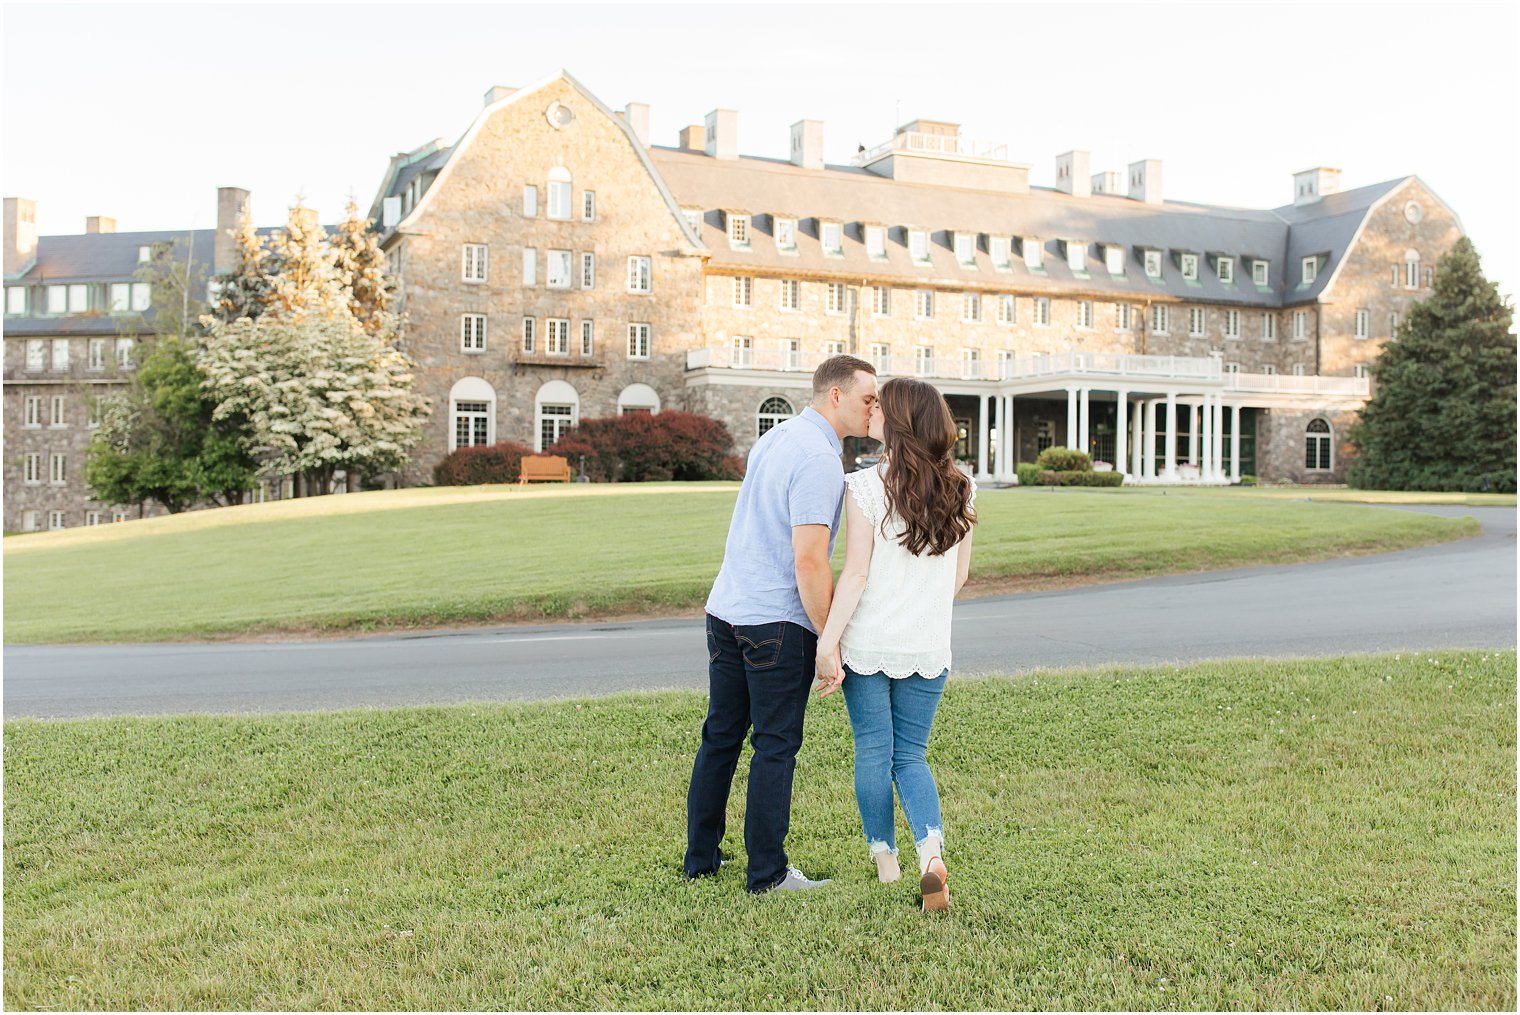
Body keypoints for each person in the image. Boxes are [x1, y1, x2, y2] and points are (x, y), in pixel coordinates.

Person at [684, 355, 879, 894]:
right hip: (775, 621)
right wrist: (829, 638)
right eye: (869, 399)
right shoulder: (819, 457)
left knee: (720, 737)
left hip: (726, 610)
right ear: (835, 397)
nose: (875, 409)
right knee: (775, 744)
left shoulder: (776, 437)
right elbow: (810, 561)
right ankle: (767, 874)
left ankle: (700, 858)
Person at [814, 377, 977, 912]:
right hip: (929, 647)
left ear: (899, 421)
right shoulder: (964, 488)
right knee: (912, 756)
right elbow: (959, 578)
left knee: (873, 752)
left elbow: (855, 576)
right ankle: (932, 856)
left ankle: (887, 865)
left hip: (868, 643)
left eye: (880, 406)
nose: (872, 412)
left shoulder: (864, 486)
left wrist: (827, 642)